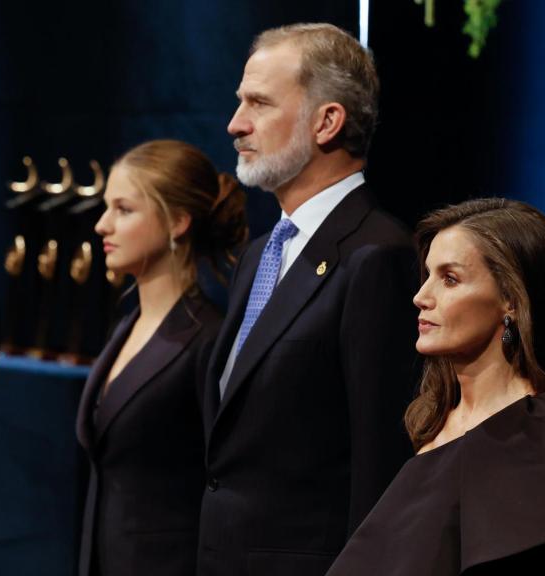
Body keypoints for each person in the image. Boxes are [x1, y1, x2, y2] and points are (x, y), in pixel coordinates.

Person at [197, 23, 418, 576]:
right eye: (238, 102)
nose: (235, 124)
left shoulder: (377, 256)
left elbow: (381, 466)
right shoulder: (258, 255)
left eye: (259, 103)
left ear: (327, 122)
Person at [325, 198, 545, 576]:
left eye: (450, 279)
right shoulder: (428, 428)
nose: (421, 297)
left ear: (510, 299)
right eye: (426, 275)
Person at [76, 139, 247, 576]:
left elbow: (224, 483)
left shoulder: (207, 340)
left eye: (123, 209)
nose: (102, 225)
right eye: (105, 207)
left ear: (178, 222)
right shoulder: (126, 324)